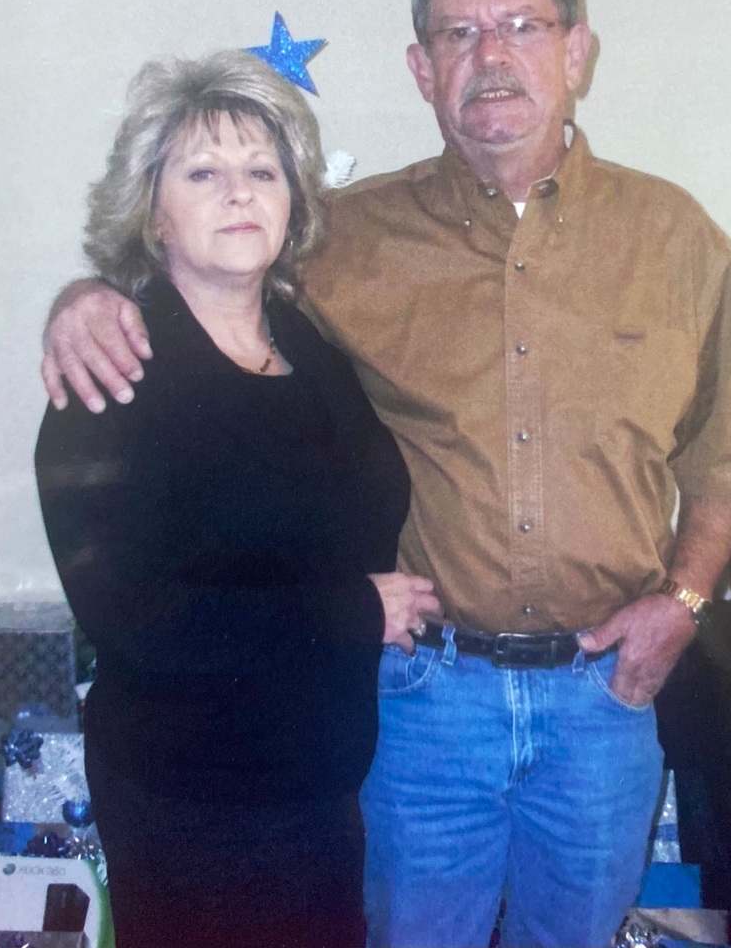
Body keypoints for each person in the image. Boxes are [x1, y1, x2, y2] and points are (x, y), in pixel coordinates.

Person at [41, 0, 731, 948]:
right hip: (421, 702)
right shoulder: (345, 239)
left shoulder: (678, 240)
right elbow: (205, 269)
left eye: (521, 25)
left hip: (602, 700)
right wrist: (88, 298)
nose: (491, 55)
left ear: (576, 52)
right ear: (421, 67)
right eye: (458, 33)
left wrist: (684, 603)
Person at [34, 49, 441, 948]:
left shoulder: (308, 343)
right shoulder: (110, 375)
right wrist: (352, 611)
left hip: (321, 782)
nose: (238, 194)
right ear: (152, 211)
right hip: (193, 798)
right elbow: (134, 619)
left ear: (293, 200)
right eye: (202, 173)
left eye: (262, 171)